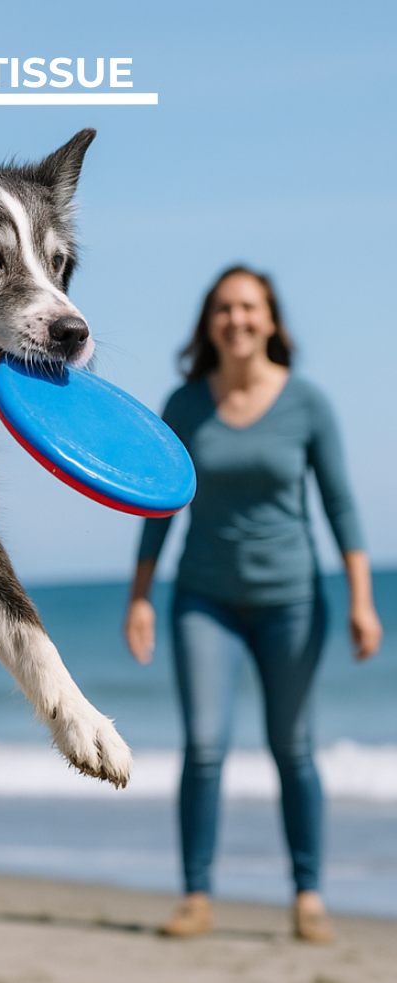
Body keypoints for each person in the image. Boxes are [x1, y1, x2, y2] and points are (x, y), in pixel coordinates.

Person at [123, 265, 383, 942]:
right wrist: (141, 597)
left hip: (291, 602)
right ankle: (196, 897)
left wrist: (362, 600)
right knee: (205, 747)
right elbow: (158, 506)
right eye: (224, 308)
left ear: (270, 320)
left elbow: (340, 506)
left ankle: (308, 896)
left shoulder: (307, 403)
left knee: (292, 747)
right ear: (209, 324)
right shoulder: (185, 404)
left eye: (249, 307)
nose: (236, 319)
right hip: (203, 600)